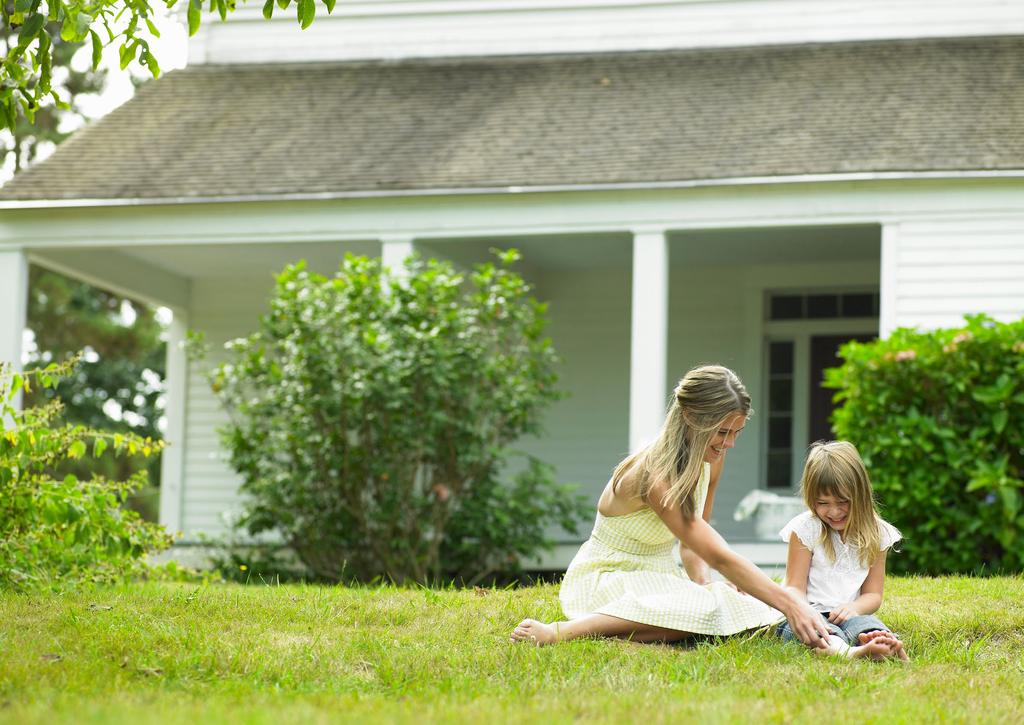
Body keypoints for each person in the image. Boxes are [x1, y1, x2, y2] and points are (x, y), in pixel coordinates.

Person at [510, 364, 832, 649]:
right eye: (722, 432)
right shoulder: (655, 474)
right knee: (709, 611)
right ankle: (561, 632)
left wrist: (704, 584)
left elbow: (693, 548)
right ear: (691, 416)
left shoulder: (712, 459)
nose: (729, 443)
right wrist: (791, 604)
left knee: (724, 608)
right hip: (609, 577)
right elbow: (717, 553)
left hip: (658, 574)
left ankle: (641, 637)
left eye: (737, 432)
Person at [778, 440, 909, 661]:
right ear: (811, 498)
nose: (834, 511)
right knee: (818, 633)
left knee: (868, 626)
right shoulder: (805, 529)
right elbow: (794, 588)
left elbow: (873, 595)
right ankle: (849, 652)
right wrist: (804, 613)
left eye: (843, 501)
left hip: (849, 614)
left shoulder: (877, 534)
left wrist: (854, 608)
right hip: (807, 611)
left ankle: (877, 644)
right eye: (823, 502)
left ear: (860, 494)